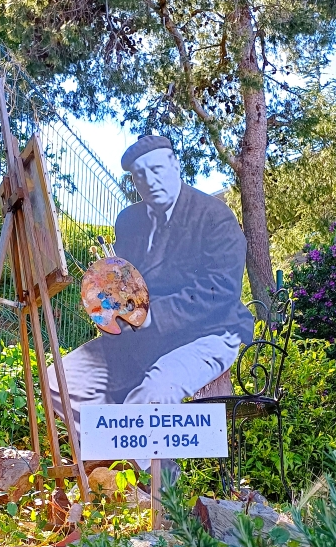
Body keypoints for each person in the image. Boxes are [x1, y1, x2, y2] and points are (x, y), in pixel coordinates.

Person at [47, 135, 253, 468]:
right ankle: (126, 464)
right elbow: (129, 283)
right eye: (140, 175)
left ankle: (143, 479)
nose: (150, 181)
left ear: (175, 165)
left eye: (157, 169)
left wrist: (154, 315)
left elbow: (219, 291)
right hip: (145, 335)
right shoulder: (130, 221)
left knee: (154, 391)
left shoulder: (215, 216)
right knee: (58, 380)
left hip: (211, 331)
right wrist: (109, 307)